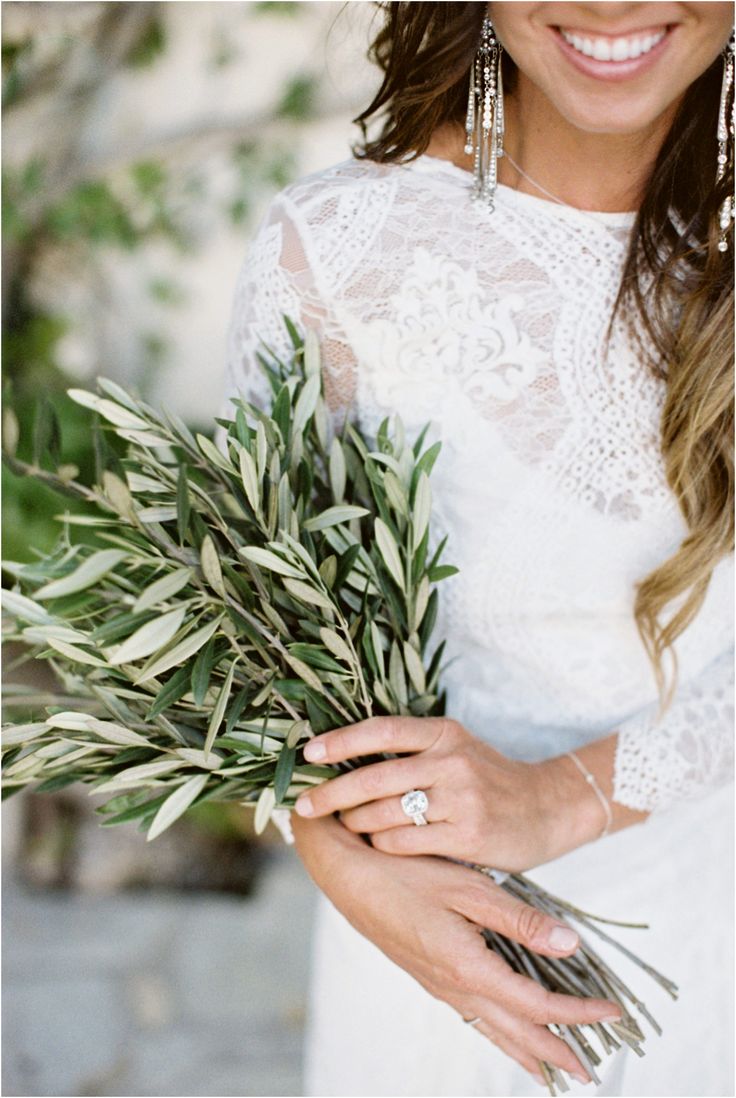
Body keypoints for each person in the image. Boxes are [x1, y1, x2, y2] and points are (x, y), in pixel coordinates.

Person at [222, 3, 734, 1095]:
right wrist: (350, 868)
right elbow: (259, 632)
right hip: (431, 947)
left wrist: (566, 797)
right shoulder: (336, 250)